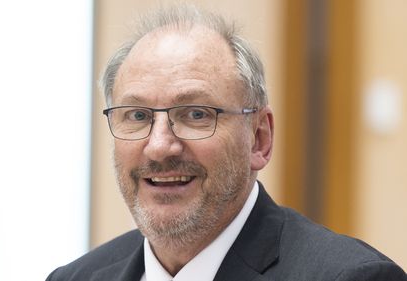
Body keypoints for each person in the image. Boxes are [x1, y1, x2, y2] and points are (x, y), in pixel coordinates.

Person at [47, 4, 406, 281]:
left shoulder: (350, 276)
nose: (159, 146)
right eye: (138, 116)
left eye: (196, 114)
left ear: (259, 139)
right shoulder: (74, 277)